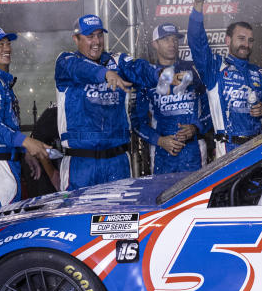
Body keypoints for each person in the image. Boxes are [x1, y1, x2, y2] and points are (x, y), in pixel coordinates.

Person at [55, 15, 181, 191]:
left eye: (100, 35)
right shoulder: (66, 61)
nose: (97, 41)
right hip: (81, 164)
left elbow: (139, 68)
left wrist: (162, 75)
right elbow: (80, 68)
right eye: (90, 36)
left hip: (117, 161)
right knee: (79, 216)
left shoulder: (117, 61)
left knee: (118, 216)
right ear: (76, 39)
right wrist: (105, 74)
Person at [0, 24, 49, 211]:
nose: (7, 48)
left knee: (5, 226)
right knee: (2, 231)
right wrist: (25, 141)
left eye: (7, 43)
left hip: (3, 162)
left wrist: (23, 152)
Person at [187, 0, 262, 154]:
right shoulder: (215, 68)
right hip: (227, 149)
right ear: (228, 40)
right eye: (241, 38)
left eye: (250, 40)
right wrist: (198, 5)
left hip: (256, 149)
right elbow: (197, 42)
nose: (246, 45)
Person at [131, 23, 211, 174]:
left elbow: (211, 109)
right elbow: (137, 123)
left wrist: (196, 127)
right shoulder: (147, 77)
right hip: (162, 153)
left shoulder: (193, 71)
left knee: (196, 196)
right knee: (163, 196)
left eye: (175, 39)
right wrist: (159, 140)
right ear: (155, 44)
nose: (172, 44)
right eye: (166, 39)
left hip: (194, 151)